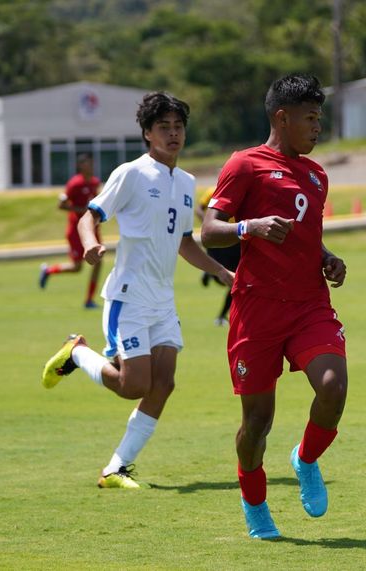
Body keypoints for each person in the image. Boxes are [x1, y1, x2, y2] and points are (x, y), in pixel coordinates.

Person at [40, 92, 233, 489]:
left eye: (178, 127)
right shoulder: (131, 173)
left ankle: (115, 468)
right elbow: (87, 217)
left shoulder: (186, 182)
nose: (173, 134)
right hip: (128, 295)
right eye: (164, 127)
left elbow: (183, 240)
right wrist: (91, 243)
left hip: (162, 299)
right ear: (147, 133)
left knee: (164, 383)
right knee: (134, 387)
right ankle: (77, 353)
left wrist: (218, 270)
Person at [201, 74, 348, 540]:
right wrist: (251, 227)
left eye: (319, 117)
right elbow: (209, 229)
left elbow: (307, 236)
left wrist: (327, 258)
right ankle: (254, 502)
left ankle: (305, 460)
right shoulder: (244, 165)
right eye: (310, 117)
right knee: (256, 424)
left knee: (333, 386)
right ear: (282, 118)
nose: (317, 126)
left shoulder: (316, 174)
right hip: (257, 310)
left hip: (308, 305)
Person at [38, 154, 103, 308]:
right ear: (80, 166)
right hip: (77, 230)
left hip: (93, 229)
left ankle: (89, 300)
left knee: (98, 262)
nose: (90, 166)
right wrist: (81, 210)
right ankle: (48, 270)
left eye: (91, 163)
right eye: (87, 163)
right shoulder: (74, 184)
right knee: (77, 267)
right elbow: (61, 205)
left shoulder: (95, 182)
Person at [195, 185, 240, 325]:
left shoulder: (239, 190)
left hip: (234, 239)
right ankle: (221, 317)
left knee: (235, 281)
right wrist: (208, 223)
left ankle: (221, 316)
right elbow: (198, 209)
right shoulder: (212, 191)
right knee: (232, 280)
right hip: (217, 238)